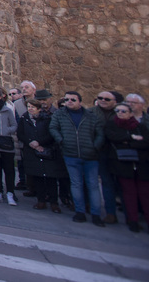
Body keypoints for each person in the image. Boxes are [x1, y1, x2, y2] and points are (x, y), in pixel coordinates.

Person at [50, 91, 105, 226]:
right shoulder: (60, 114)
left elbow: (100, 133)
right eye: (67, 99)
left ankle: (96, 214)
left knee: (92, 185)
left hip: (90, 155)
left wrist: (95, 147)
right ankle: (79, 211)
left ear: (79, 101)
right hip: (70, 154)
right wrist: (61, 141)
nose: (69, 102)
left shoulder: (91, 116)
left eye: (73, 100)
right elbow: (53, 128)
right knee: (76, 184)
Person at [104, 101, 149, 232]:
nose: (120, 113)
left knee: (145, 194)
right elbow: (113, 138)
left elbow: (146, 142)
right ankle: (132, 220)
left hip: (141, 166)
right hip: (123, 165)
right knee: (129, 194)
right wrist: (132, 138)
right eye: (118, 111)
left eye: (123, 111)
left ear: (130, 114)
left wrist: (127, 143)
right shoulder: (112, 125)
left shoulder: (140, 127)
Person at [17, 98, 66, 212]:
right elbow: (20, 133)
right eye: (28, 107)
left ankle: (54, 202)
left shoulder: (48, 118)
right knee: (37, 177)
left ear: (38, 109)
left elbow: (51, 133)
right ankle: (41, 200)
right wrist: (30, 142)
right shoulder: (24, 118)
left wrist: (40, 143)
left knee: (50, 178)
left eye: (33, 107)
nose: (30, 109)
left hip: (46, 150)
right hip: (31, 150)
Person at [92, 90, 123, 224]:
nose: (103, 100)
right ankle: (110, 213)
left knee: (124, 185)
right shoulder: (91, 113)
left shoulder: (121, 113)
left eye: (107, 99)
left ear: (115, 102)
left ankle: (130, 214)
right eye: (100, 98)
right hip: (100, 152)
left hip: (119, 153)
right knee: (106, 183)